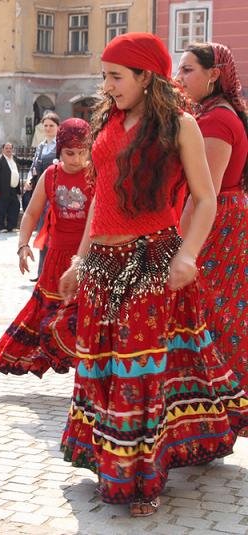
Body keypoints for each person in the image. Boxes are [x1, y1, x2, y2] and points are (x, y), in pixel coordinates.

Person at [57, 33, 248, 517]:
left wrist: (188, 256)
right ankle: (111, 462)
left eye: (116, 76)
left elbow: (205, 199)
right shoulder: (108, 121)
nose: (107, 85)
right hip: (102, 264)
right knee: (99, 362)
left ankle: (142, 475)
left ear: (146, 76)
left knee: (137, 368)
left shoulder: (181, 125)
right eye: (104, 76)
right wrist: (80, 260)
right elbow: (101, 198)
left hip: (151, 260)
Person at [176, 42, 248, 392]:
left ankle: (224, 395)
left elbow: (205, 193)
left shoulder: (217, 119)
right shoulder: (212, 114)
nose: (179, 77)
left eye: (188, 70)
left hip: (216, 225)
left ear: (214, 75)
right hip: (223, 219)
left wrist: (179, 243)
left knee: (212, 312)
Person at [0, 119, 93, 377]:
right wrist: (23, 245)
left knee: (86, 316)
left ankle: (88, 373)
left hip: (90, 258)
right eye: (70, 153)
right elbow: (30, 214)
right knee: (46, 312)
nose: (76, 158)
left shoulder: (97, 174)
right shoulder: (51, 175)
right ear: (59, 150)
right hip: (56, 256)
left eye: (82, 152)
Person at [23, 111, 60, 279]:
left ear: (58, 127)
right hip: (41, 194)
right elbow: (33, 167)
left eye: (51, 125)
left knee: (55, 234)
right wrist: (29, 179)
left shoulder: (60, 146)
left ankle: (54, 271)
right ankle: (41, 272)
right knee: (42, 233)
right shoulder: (41, 146)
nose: (48, 128)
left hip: (56, 194)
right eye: (45, 125)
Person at [0, 142, 30, 232]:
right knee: (1, 208)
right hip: (2, 189)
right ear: (2, 149)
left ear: (12, 149)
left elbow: (24, 161)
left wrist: (35, 160)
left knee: (15, 206)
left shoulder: (14, 158)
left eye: (10, 148)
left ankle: (10, 226)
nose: (8, 150)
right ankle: (1, 227)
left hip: (13, 189)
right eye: (6, 148)